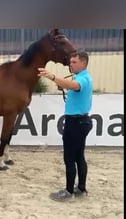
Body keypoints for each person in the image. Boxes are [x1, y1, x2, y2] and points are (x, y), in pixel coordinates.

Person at [38, 49, 93, 202]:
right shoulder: (84, 77)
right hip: (81, 121)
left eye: (74, 62)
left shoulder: (83, 79)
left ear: (84, 62)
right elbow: (73, 87)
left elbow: (74, 85)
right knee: (79, 156)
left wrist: (53, 77)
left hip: (75, 123)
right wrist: (64, 86)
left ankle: (69, 192)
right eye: (70, 62)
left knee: (69, 158)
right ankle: (81, 189)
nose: (71, 65)